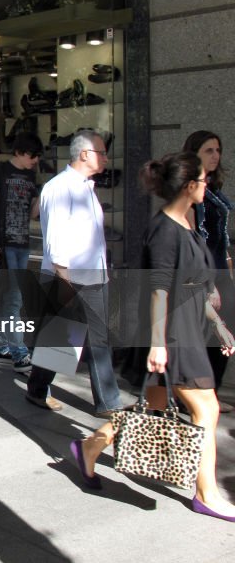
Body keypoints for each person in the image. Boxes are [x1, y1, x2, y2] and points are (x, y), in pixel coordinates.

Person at [71, 153, 235, 521]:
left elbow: (192, 285)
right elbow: (158, 289)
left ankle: (89, 447)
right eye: (203, 180)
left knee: (156, 406)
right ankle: (206, 494)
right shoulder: (163, 231)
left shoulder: (185, 225)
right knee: (206, 408)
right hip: (172, 333)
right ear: (189, 185)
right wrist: (159, 344)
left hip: (187, 327)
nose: (207, 185)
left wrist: (218, 323)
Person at [25, 130, 122, 415]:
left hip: (92, 275)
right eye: (101, 152)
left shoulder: (86, 188)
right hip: (68, 276)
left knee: (94, 338)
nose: (106, 157)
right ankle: (39, 388)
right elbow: (55, 240)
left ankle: (106, 400)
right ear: (84, 154)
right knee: (62, 339)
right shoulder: (59, 187)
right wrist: (64, 281)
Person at [0, 132, 43, 371]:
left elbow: (33, 214)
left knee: (9, 299)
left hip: (22, 244)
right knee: (13, 299)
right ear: (20, 152)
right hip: (3, 245)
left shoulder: (32, 175)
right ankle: (19, 352)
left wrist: (41, 193)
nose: (35, 160)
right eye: (33, 155)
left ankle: (3, 346)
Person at [183, 130, 234, 413]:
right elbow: (192, 235)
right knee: (204, 334)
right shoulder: (190, 189)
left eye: (218, 150)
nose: (215, 156)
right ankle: (197, 397)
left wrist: (226, 262)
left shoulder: (213, 188)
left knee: (224, 334)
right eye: (208, 151)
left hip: (219, 270)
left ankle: (208, 394)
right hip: (201, 273)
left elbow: (218, 233)